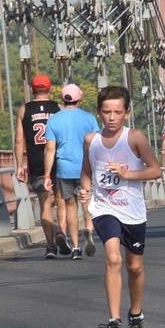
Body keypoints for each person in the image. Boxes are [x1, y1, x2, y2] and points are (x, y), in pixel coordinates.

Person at [77, 85, 163, 328]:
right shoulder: (91, 140)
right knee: (113, 258)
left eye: (117, 112)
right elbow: (86, 172)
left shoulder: (134, 137)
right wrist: (85, 198)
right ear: (99, 113)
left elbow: (155, 170)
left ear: (126, 112)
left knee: (134, 266)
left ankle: (135, 314)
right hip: (104, 207)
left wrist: (128, 175)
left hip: (133, 211)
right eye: (106, 112)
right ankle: (114, 322)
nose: (111, 117)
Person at [41, 83, 101, 259]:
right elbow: (96, 144)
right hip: (85, 168)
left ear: (62, 99)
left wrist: (46, 175)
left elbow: (50, 150)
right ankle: (88, 228)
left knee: (70, 207)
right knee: (87, 202)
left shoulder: (53, 120)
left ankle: (75, 248)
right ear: (79, 98)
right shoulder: (89, 118)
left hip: (64, 169)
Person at [14, 74, 63, 257]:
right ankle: (61, 232)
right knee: (61, 201)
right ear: (49, 89)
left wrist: (20, 165)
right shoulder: (58, 108)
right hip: (58, 161)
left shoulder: (24, 110)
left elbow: (19, 141)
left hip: (36, 163)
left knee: (45, 205)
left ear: (33, 90)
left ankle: (50, 246)